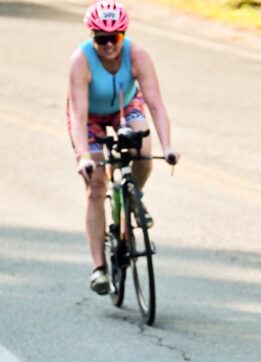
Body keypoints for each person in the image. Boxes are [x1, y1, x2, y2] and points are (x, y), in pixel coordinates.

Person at [67, 0, 179, 295]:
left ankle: (133, 197)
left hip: (124, 106)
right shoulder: (81, 60)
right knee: (95, 185)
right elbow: (77, 116)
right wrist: (82, 157)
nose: (108, 45)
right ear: (92, 37)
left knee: (142, 149)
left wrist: (168, 147)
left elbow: (155, 103)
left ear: (123, 35)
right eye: (101, 39)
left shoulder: (137, 54)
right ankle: (99, 268)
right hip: (90, 116)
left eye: (115, 38)